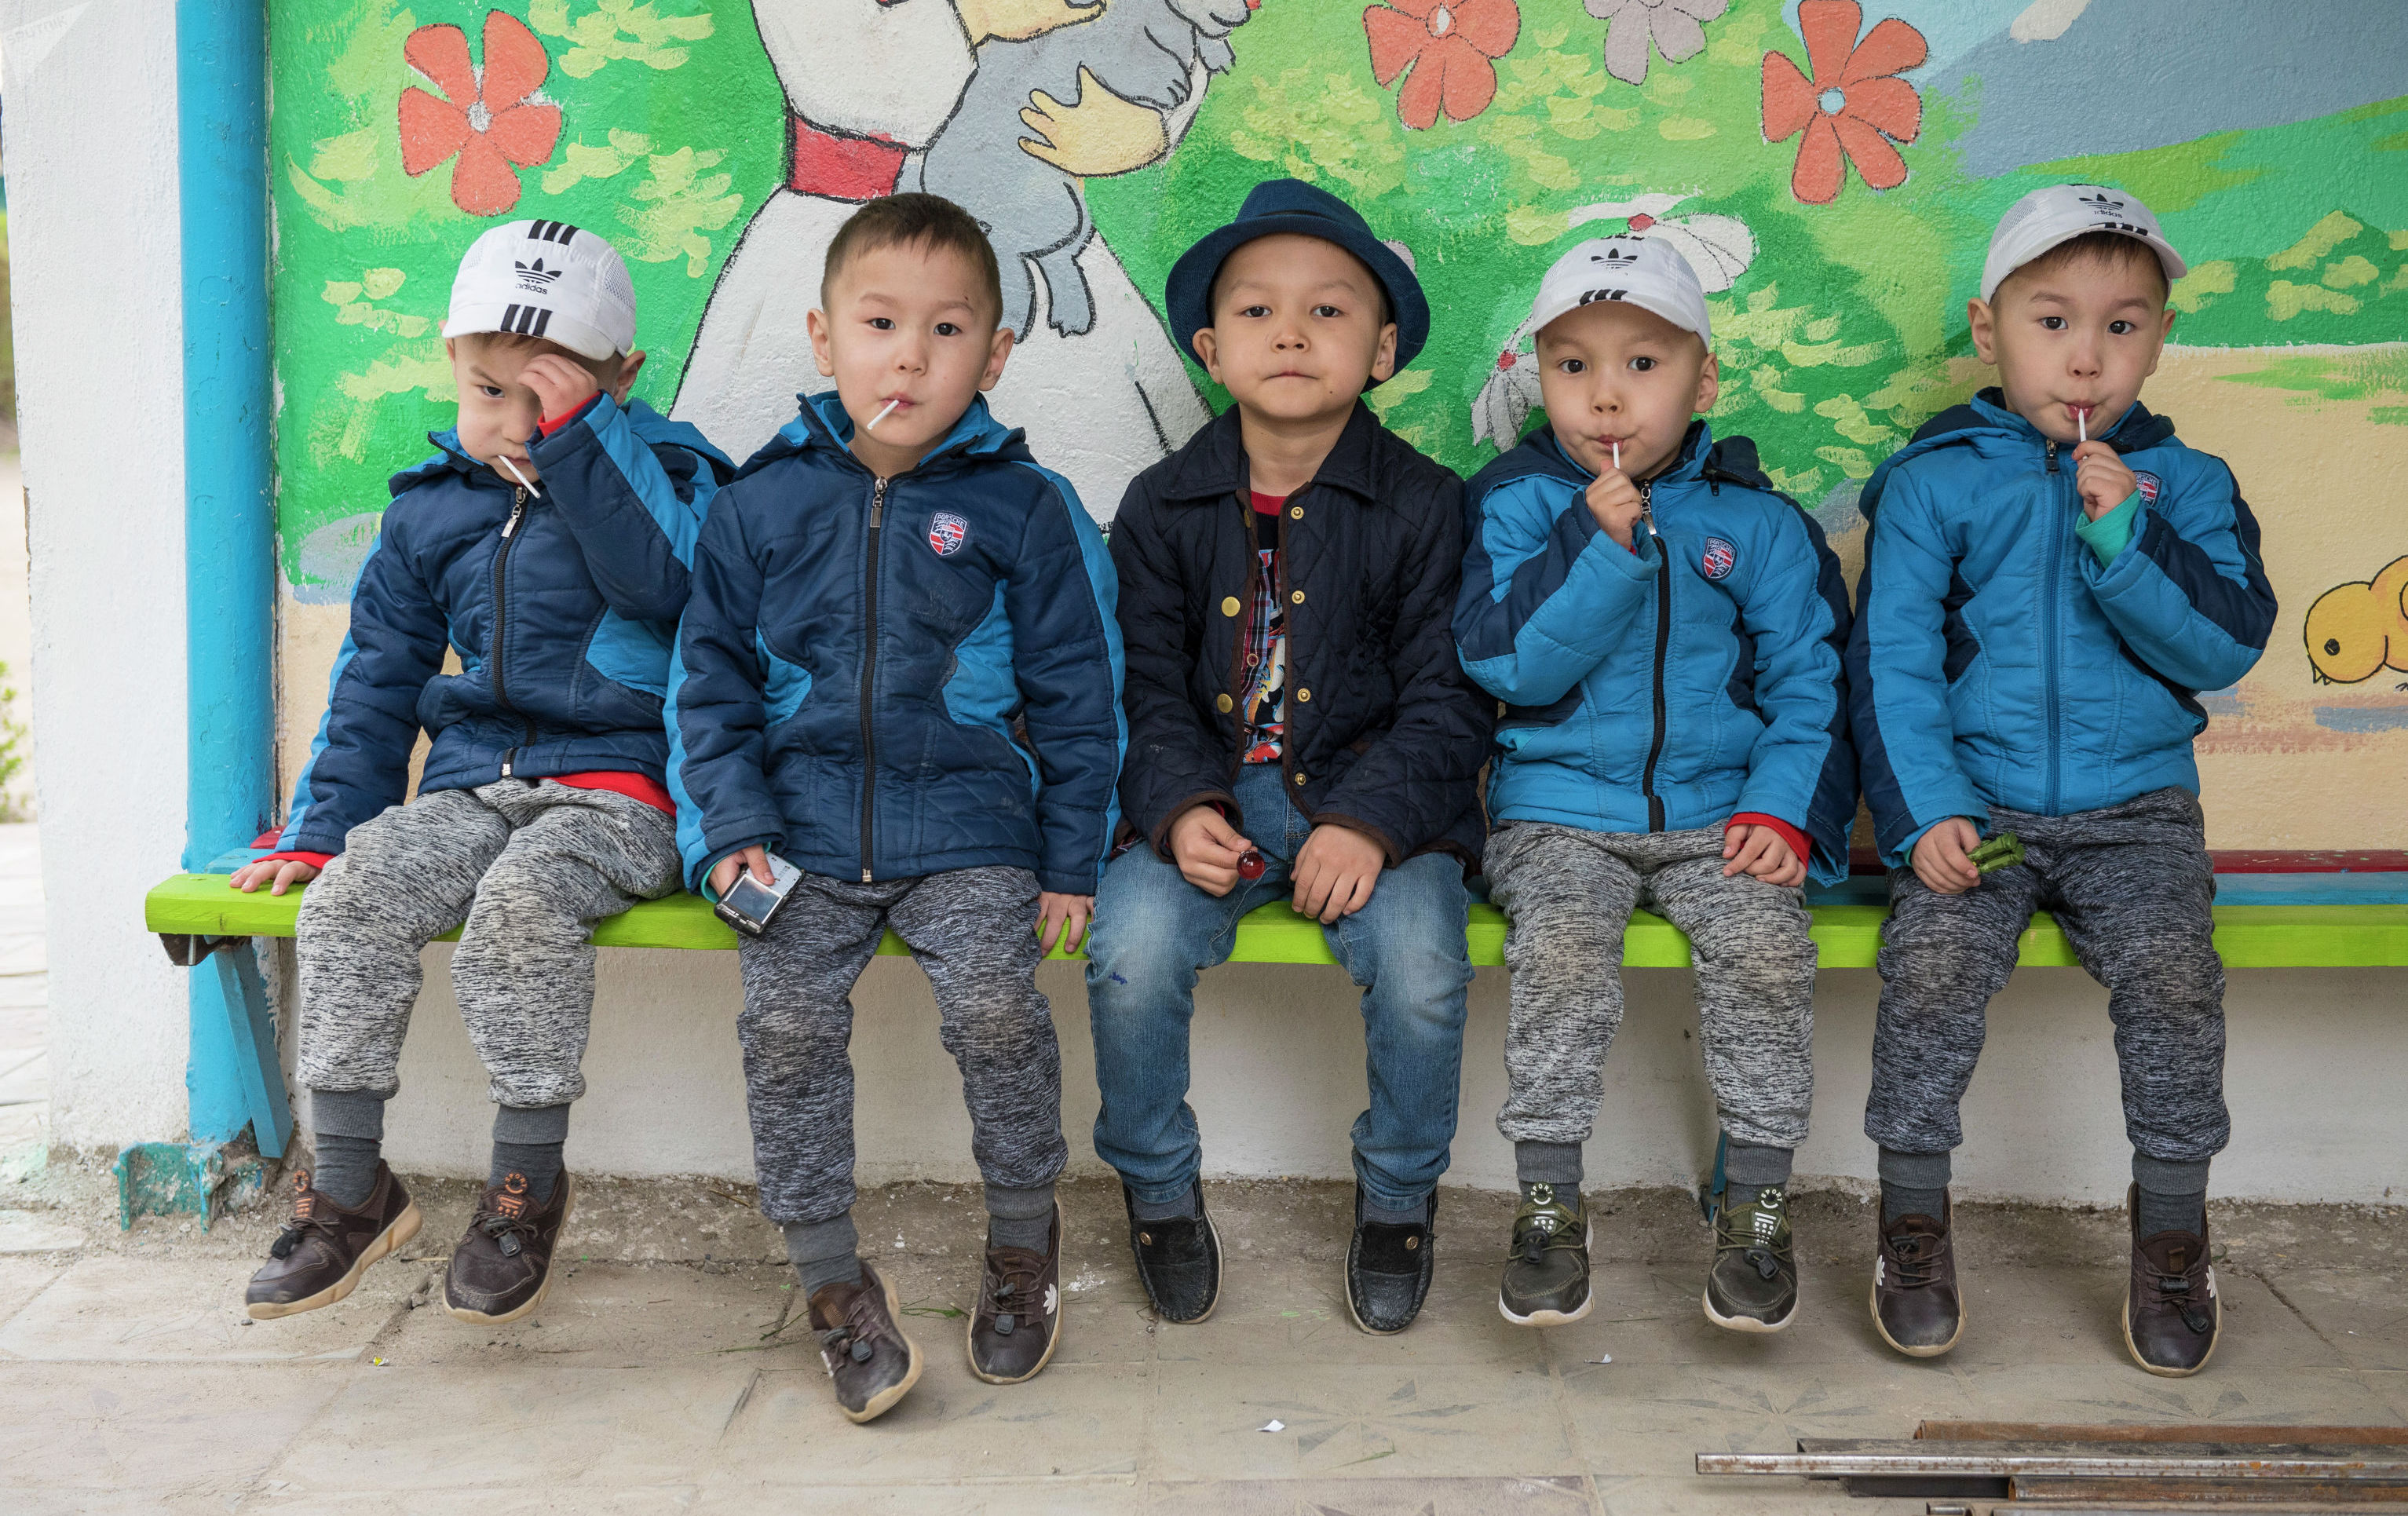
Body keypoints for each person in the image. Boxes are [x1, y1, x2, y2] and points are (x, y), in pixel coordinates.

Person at [670, 193, 1124, 1422]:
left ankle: (1022, 1244)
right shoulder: (758, 505)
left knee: (995, 1009)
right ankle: (832, 1282)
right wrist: (731, 832)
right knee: (785, 1029)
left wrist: (1071, 860)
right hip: (799, 836)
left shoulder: (1027, 509)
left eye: (946, 330)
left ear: (996, 354)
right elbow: (706, 689)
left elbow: (1083, 697)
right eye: (879, 324)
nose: (909, 358)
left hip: (973, 833)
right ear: (825, 338)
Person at [233, 221, 733, 1327]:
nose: (513, 423)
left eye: (545, 397)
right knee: (352, 893)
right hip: (473, 787)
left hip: (622, 793)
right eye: (489, 391)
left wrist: (585, 448)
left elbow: (679, 588)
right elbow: (377, 682)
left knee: (521, 905)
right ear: (452, 365)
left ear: (619, 383)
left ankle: (525, 1187)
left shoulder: (675, 480)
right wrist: (322, 830)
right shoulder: (431, 510)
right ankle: (351, 1190)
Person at [1847, 184, 2276, 1375]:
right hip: (1981, 810)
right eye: (2053, 322)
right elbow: (1891, 666)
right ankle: (1913, 1221)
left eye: (2122, 326)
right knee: (1933, 966)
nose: (2086, 356)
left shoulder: (2188, 483)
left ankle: (2174, 1229)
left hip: (2135, 812)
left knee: (2175, 977)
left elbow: (2223, 645)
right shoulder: (1931, 481)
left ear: (2159, 339)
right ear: (1988, 331)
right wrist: (1928, 812)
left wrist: (2126, 539)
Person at [1084, 178, 1493, 1337]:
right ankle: (1159, 1191)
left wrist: (1366, 824)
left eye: (1329, 310)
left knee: (1422, 967)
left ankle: (1399, 1200)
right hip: (1208, 798)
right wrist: (1177, 809)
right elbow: (1140, 687)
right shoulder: (1162, 506)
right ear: (1211, 349)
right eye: (1257, 311)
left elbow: (1449, 696)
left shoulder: (1425, 505)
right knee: (1131, 953)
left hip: (1375, 807)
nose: (1293, 334)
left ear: (1382, 350)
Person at [1454, 236, 1854, 1335]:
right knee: (1562, 950)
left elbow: (1810, 684)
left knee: (1766, 950)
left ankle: (1757, 1204)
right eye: (1573, 365)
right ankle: (1548, 1204)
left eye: (1643, 363)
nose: (1606, 395)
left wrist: (1782, 811)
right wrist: (1600, 548)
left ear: (1703, 380)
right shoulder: (1517, 505)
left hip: (1726, 816)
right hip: (1558, 815)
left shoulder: (1761, 522)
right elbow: (1506, 664)